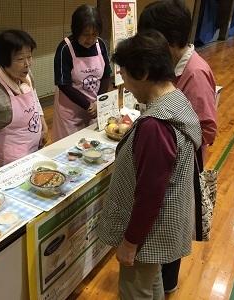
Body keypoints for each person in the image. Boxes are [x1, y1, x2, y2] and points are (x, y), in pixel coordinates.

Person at [97, 30, 201, 300]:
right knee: (150, 280)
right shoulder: (177, 99)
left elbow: (149, 195)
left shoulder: (155, 125)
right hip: (160, 229)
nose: (126, 85)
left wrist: (130, 243)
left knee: (134, 290)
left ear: (142, 73)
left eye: (126, 77)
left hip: (148, 229)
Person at [138, 0, 217, 293]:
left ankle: (168, 286)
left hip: (181, 166)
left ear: (168, 40)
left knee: (170, 223)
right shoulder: (174, 66)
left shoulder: (194, 73)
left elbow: (208, 128)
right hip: (170, 162)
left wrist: (168, 135)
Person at [0, 30, 48, 186]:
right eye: (20, 58)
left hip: (34, 144)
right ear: (3, 60)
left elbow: (34, 99)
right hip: (12, 154)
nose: (27, 64)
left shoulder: (26, 74)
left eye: (29, 56)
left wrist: (43, 124)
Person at [52, 4, 111, 142]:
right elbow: (63, 84)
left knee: (93, 145)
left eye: (94, 35)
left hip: (94, 107)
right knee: (70, 149)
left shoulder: (100, 44)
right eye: (85, 35)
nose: (90, 40)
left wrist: (98, 102)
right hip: (71, 112)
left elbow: (106, 75)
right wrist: (87, 105)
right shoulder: (65, 48)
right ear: (76, 30)